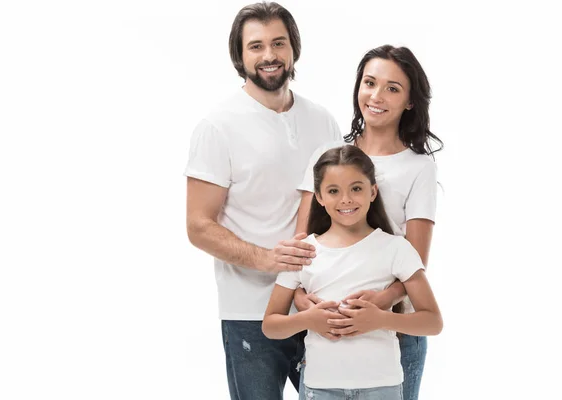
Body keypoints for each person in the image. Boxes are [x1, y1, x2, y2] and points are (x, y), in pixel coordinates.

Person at [184, 2, 342, 399]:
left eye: (278, 43)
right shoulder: (218, 127)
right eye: (255, 46)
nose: (269, 55)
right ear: (240, 56)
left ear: (293, 50)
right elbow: (198, 225)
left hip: (317, 305)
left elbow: (339, 209)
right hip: (249, 312)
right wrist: (268, 259)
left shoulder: (322, 120)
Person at [293, 45, 444, 400]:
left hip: (396, 332)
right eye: (370, 83)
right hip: (329, 331)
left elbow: (416, 260)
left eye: (393, 88)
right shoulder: (327, 155)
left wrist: (381, 305)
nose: (376, 96)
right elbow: (301, 243)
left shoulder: (418, 167)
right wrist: (301, 299)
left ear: (410, 101)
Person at [262, 145, 443, 400]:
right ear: (320, 197)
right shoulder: (304, 253)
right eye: (334, 191)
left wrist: (379, 319)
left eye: (356, 188)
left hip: (382, 388)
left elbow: (433, 322)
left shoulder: (395, 249)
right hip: (320, 388)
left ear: (373, 191)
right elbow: (271, 325)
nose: (346, 199)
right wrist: (307, 320)